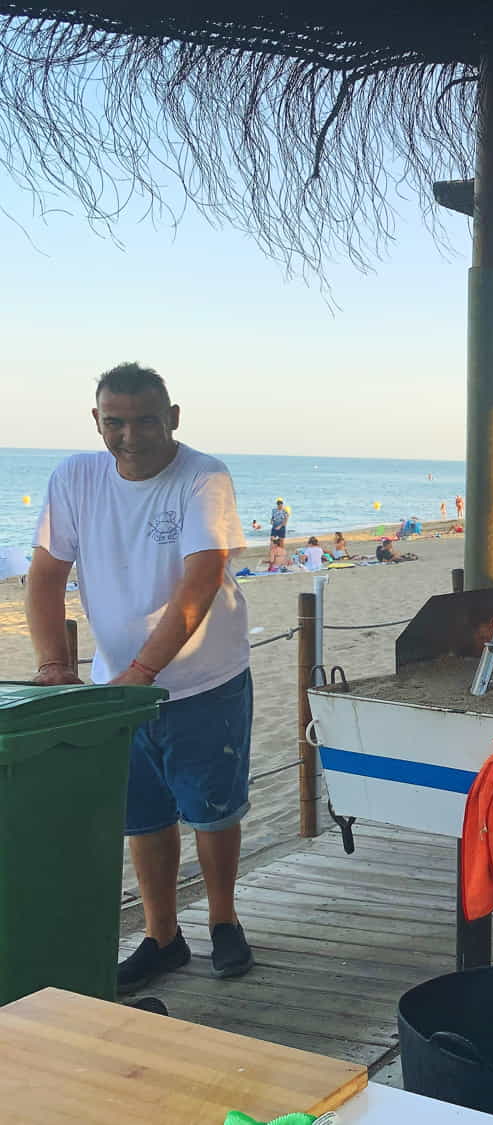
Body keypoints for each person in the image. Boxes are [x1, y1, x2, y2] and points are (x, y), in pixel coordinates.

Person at [26, 362, 255, 993]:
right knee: (142, 816)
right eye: (116, 422)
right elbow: (45, 576)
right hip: (115, 688)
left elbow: (199, 582)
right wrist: (54, 667)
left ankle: (224, 920)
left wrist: (141, 673)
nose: (130, 436)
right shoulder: (74, 476)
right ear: (96, 420)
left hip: (205, 679)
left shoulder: (204, 475)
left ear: (172, 418)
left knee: (212, 810)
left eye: (146, 421)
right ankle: (162, 937)